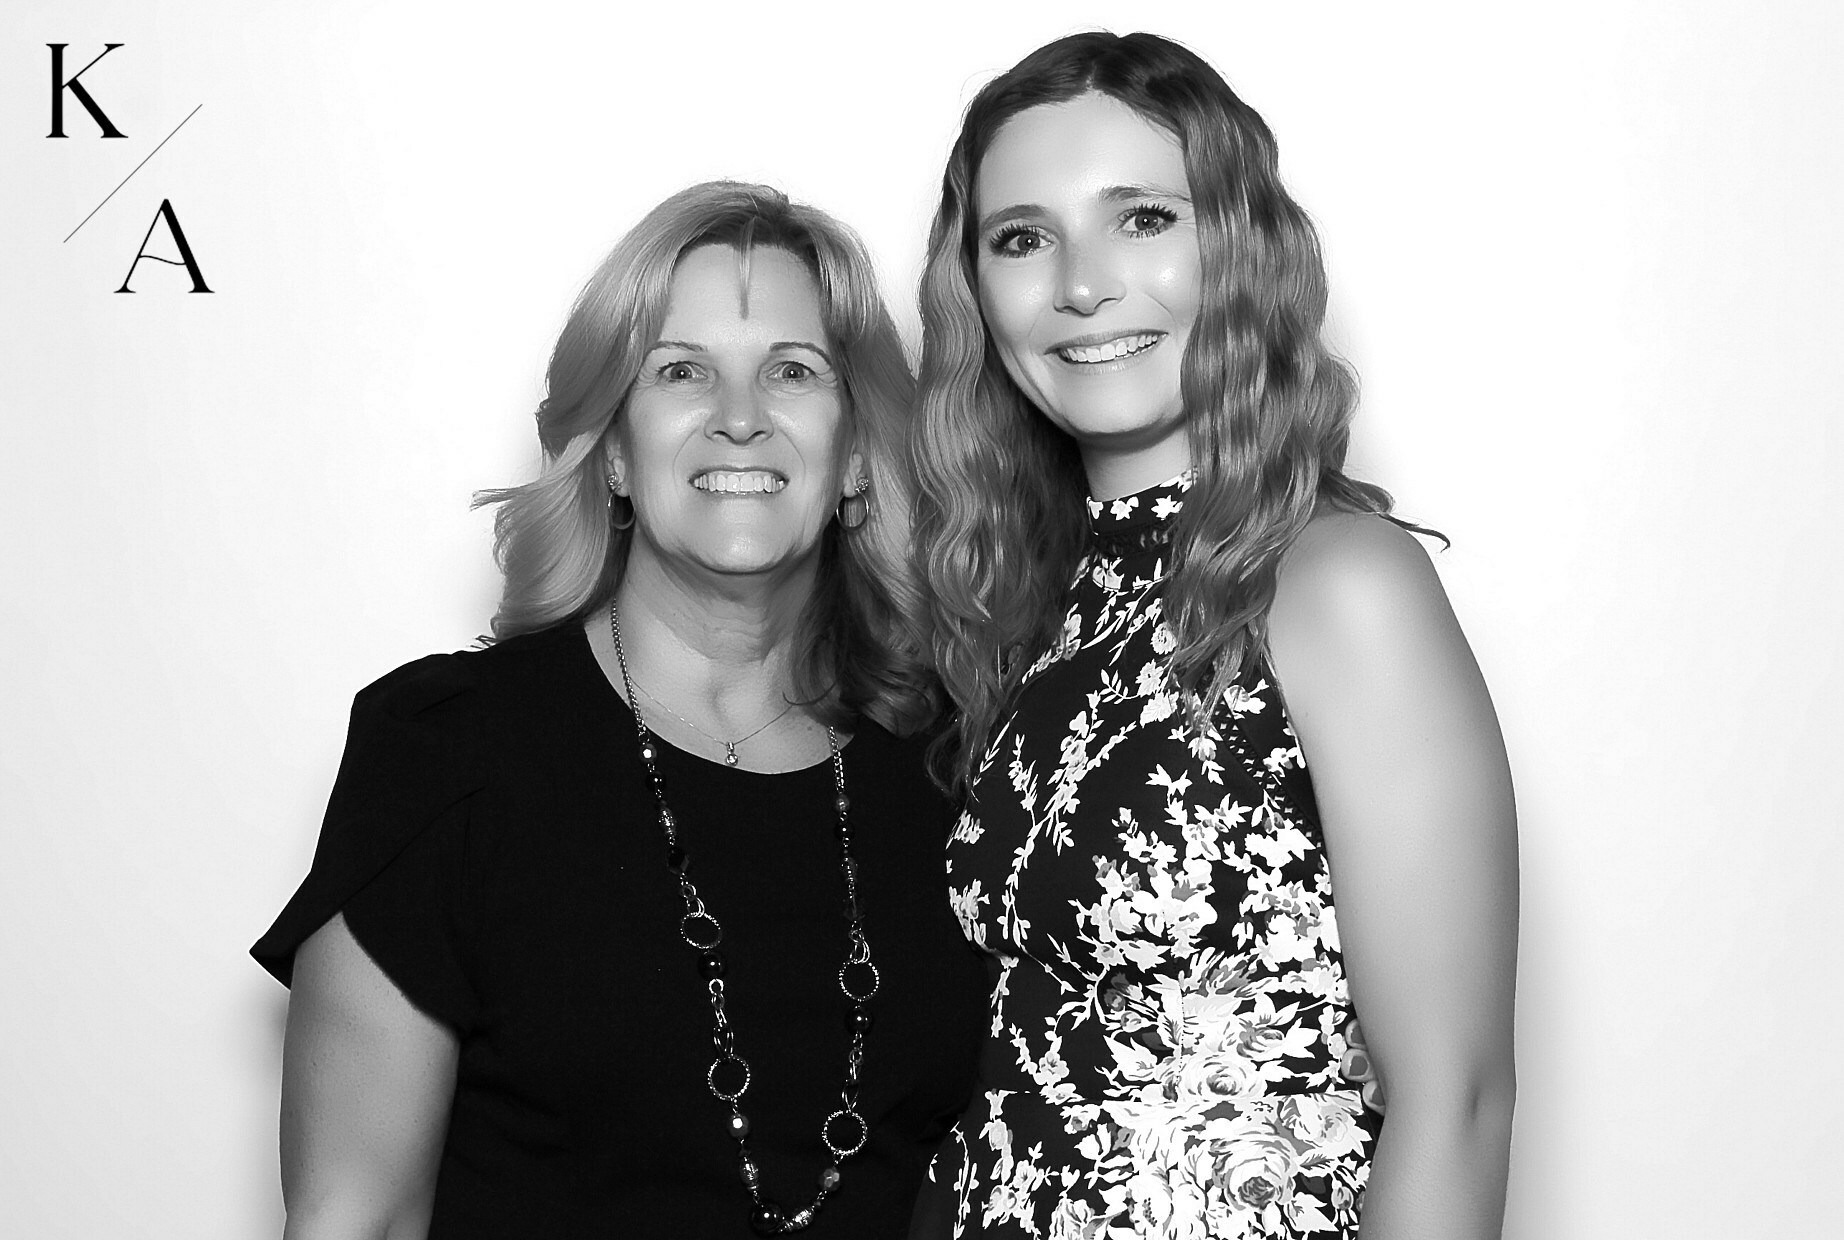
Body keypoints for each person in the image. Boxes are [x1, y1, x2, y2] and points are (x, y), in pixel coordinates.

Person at [252, 181, 987, 1239]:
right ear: (610, 451)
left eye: (792, 371)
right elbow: (352, 1220)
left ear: (859, 458)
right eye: (681, 371)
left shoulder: (957, 773)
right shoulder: (450, 752)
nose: (740, 416)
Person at [908, 32, 1518, 1240]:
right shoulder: (1031, 609)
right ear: (974, 289)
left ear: (1236, 247)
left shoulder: (1338, 582)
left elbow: (1453, 1102)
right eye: (1021, 239)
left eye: (1140, 219)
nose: (1081, 285)